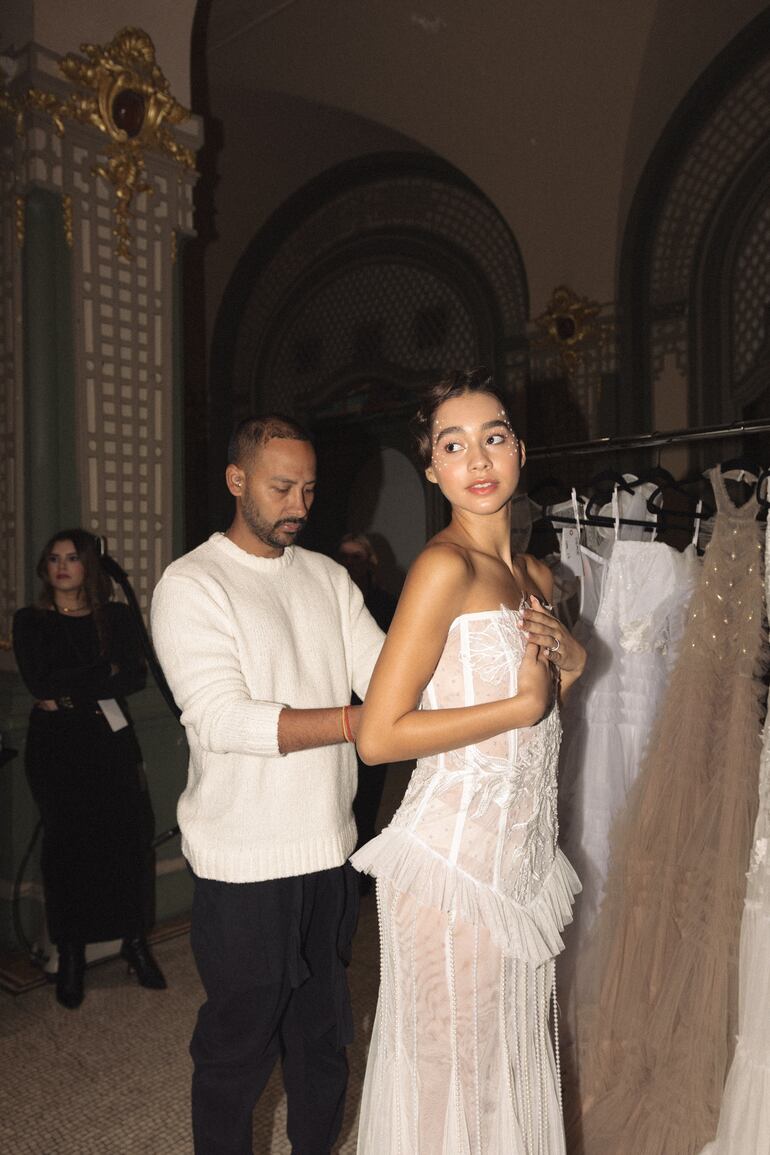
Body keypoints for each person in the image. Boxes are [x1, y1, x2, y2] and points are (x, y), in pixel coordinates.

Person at [351, 369, 586, 1154]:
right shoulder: (440, 568)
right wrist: (524, 703)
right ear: (432, 469)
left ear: (520, 449)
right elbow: (379, 736)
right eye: (453, 444)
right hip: (450, 869)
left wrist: (573, 670)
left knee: (503, 1066)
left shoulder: (538, 576)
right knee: (450, 1074)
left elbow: (535, 738)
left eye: (493, 437)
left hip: (518, 862)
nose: (477, 458)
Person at [150, 414, 384, 1155]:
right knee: (236, 1051)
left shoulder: (328, 577)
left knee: (322, 1043)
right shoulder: (191, 583)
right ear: (237, 479)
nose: (300, 503)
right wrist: (356, 724)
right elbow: (221, 718)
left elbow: (387, 678)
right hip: (244, 863)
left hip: (329, 854)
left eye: (309, 487)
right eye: (282, 485)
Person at [12, 529, 164, 1010]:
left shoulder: (115, 617)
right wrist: (103, 677)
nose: (61, 566)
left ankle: (134, 945)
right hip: (56, 745)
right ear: (44, 568)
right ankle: (71, 955)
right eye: (53, 558)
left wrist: (72, 688)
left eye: (72, 558)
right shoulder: (29, 622)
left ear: (88, 568)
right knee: (67, 848)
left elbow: (134, 676)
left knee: (126, 839)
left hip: (107, 738)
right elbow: (39, 679)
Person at [336, 534, 398, 864]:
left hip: (374, 706)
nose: (349, 564)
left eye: (356, 557)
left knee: (370, 787)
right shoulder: (329, 598)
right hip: (334, 707)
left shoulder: (386, 603)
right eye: (344, 557)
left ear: (369, 561)